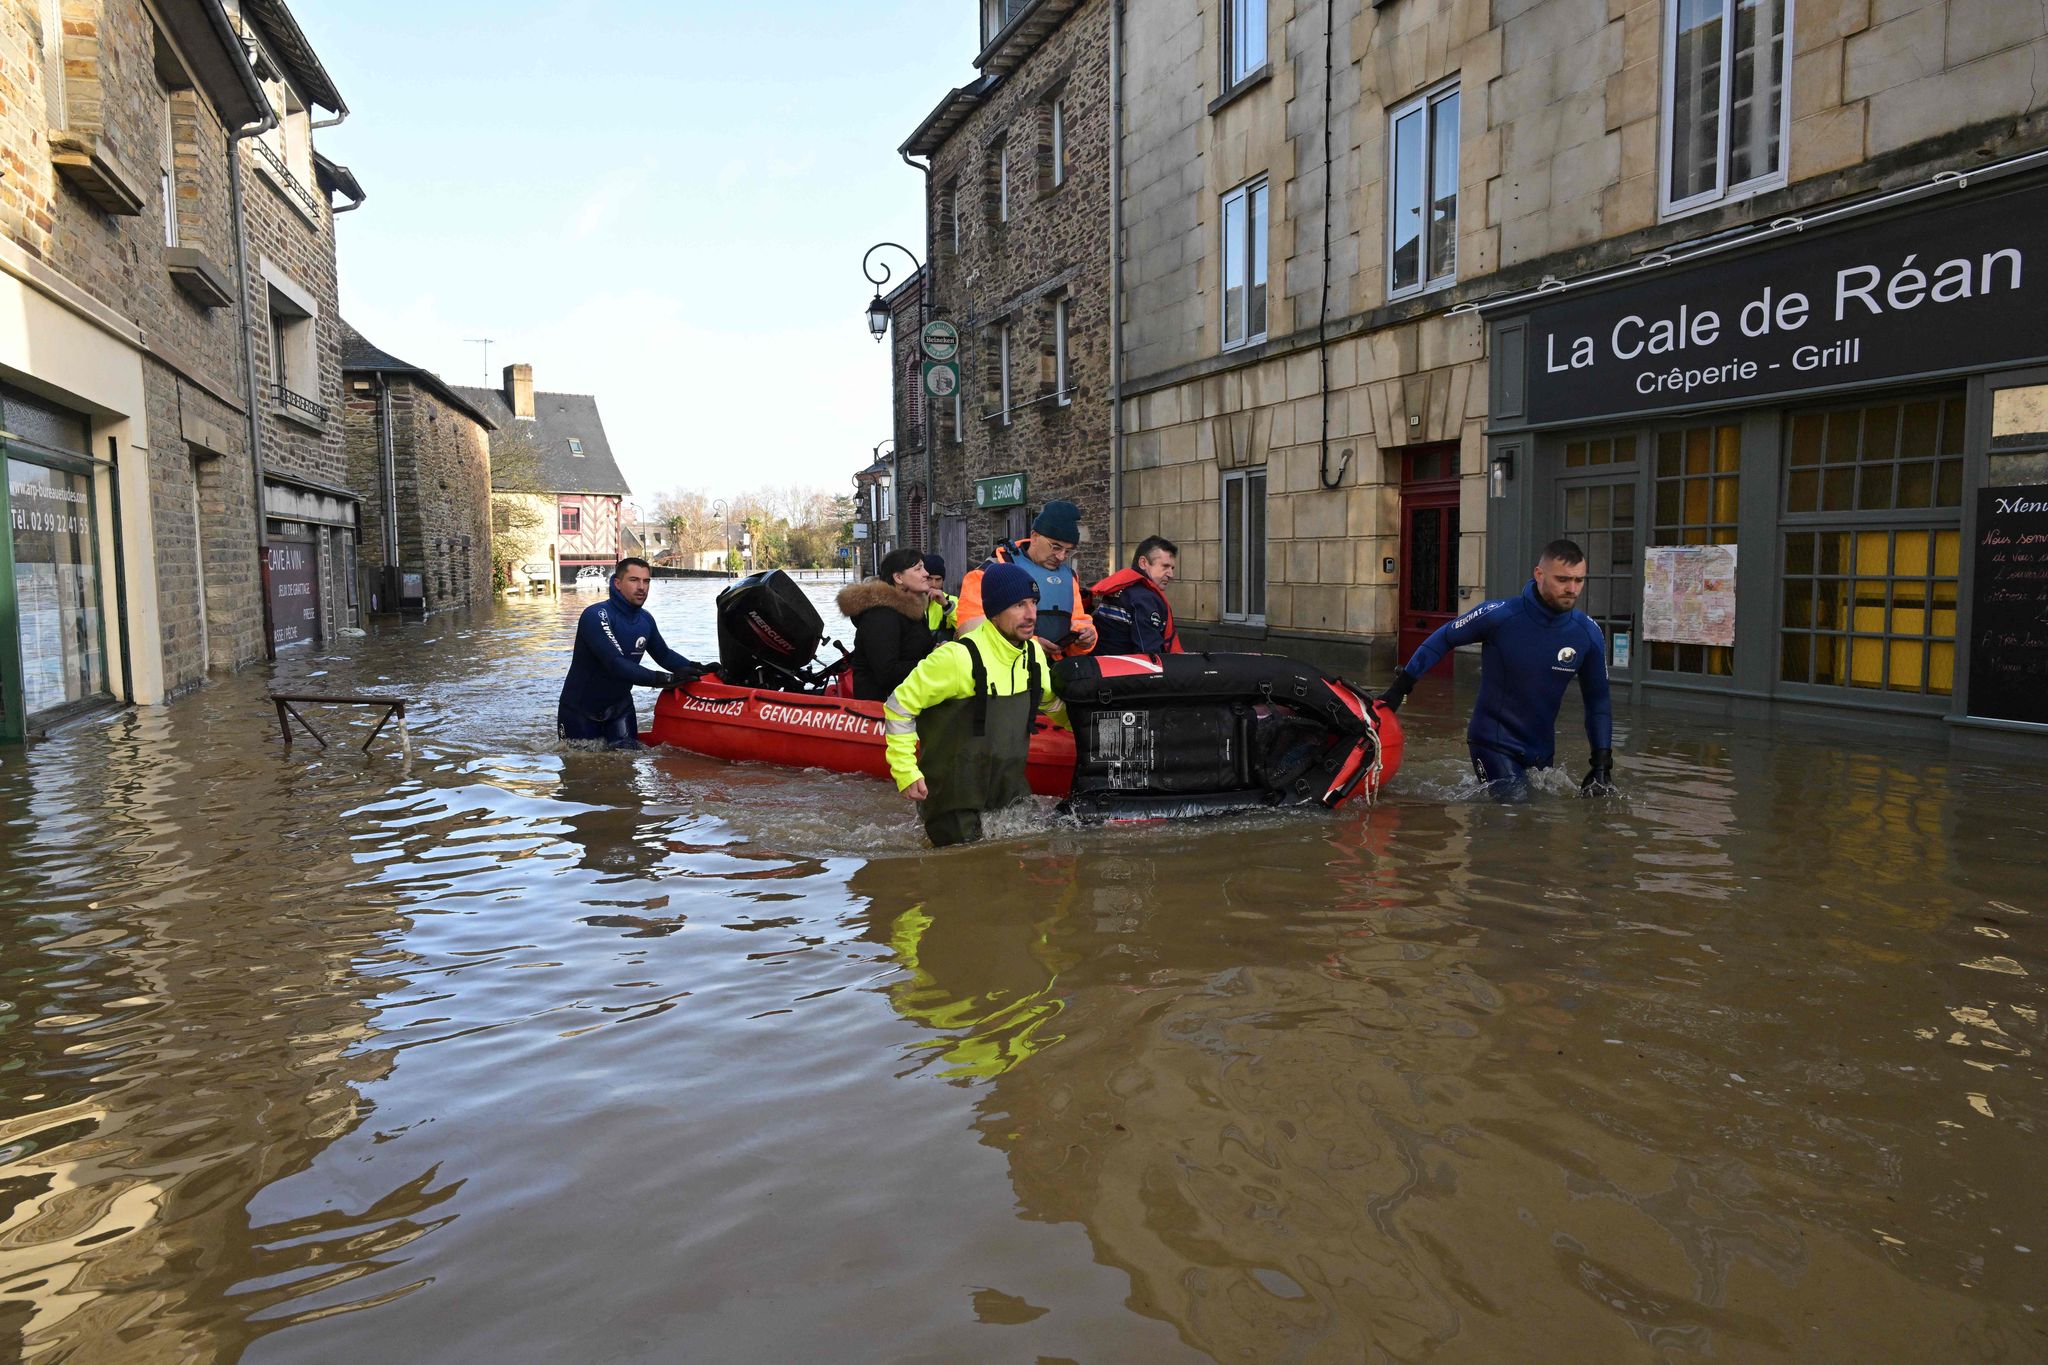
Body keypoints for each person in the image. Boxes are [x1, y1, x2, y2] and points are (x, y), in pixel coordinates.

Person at [1378, 539, 1615, 802]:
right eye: (1563, 580)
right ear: (1539, 574)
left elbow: (1598, 701)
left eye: (1579, 580)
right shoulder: (1499, 615)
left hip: (1540, 749)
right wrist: (1400, 688)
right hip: (1492, 740)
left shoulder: (1588, 633)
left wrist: (1601, 763)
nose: (1572, 589)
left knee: (1539, 823)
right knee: (1513, 808)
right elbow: (1443, 638)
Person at [884, 563, 1069, 847]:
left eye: (1034, 603)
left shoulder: (1033, 654)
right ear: (994, 612)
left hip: (1008, 795)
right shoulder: (957, 658)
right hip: (953, 803)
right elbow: (899, 707)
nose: (1031, 614)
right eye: (1019, 604)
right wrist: (906, 771)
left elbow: (1053, 705)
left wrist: (1091, 733)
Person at [558, 557, 709, 749]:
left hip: (620, 709)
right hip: (580, 712)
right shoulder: (596, 615)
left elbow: (664, 655)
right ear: (617, 583)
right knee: (583, 770)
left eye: (646, 581)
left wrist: (699, 669)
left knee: (627, 769)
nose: (642, 587)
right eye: (634, 580)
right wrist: (667, 679)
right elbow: (616, 663)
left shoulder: (645, 620)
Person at [956, 499, 1096, 659]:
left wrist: (1086, 638)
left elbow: (1079, 620)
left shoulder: (1069, 577)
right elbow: (970, 630)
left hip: (1054, 673)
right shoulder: (989, 572)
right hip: (1005, 673)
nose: (1061, 556)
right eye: (1056, 547)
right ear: (1035, 537)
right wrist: (1032, 644)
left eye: (1068, 551)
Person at [836, 547, 941, 702]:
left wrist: (938, 650)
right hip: (882, 710)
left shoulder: (914, 608)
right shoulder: (881, 615)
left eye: (924, 567)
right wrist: (934, 662)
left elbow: (915, 650)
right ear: (898, 578)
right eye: (918, 569)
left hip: (910, 700)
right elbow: (887, 673)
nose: (926, 573)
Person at [1089, 535, 1183, 655]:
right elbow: (1149, 654)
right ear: (1143, 563)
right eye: (1165, 566)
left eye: (1172, 568)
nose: (1171, 574)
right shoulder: (1144, 597)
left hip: (1099, 664)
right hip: (1123, 669)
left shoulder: (1120, 588)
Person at [921, 553, 958, 639]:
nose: (933, 584)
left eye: (938, 580)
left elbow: (966, 628)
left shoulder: (952, 601)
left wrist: (946, 605)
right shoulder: (912, 601)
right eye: (929, 578)